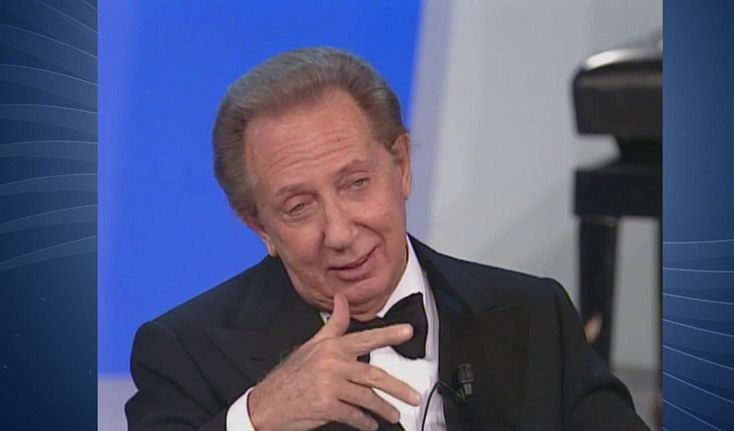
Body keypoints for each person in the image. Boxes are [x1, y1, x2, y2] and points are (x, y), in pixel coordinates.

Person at [126, 47, 649, 431]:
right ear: (259, 226)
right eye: (299, 207)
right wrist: (258, 415)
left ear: (401, 167)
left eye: (356, 183)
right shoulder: (182, 353)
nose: (340, 233)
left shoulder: (533, 315)